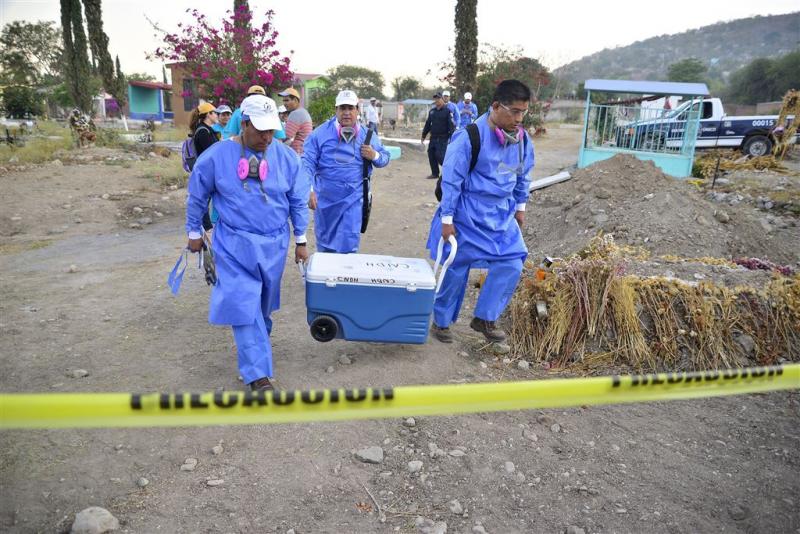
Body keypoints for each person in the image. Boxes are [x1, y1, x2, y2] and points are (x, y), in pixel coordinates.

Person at [185, 94, 310, 391]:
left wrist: (301, 239)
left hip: (274, 244)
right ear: (244, 123)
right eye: (260, 130)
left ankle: (257, 346)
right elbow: (198, 195)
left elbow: (297, 200)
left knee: (262, 307)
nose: (267, 137)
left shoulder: (287, 157)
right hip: (233, 244)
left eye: (271, 130)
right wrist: (193, 232)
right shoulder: (216, 156)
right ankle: (258, 376)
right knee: (243, 304)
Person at [426, 80, 535, 344]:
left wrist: (520, 207)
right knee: (456, 267)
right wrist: (447, 219)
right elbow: (451, 180)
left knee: (512, 260)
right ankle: (441, 322)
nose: (519, 118)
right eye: (514, 111)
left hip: (501, 214)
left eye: (524, 112)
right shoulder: (469, 137)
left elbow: (523, 174)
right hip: (467, 213)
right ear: (496, 106)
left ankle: (485, 317)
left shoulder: (522, 140)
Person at [302, 90, 390, 253]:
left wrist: (374, 155)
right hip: (326, 202)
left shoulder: (367, 135)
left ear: (357, 110)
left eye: (351, 108)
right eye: (342, 108)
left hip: (354, 201)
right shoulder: (319, 134)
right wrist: (309, 189)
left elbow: (385, 157)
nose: (347, 112)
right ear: (336, 110)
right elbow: (307, 163)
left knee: (348, 247)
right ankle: (327, 278)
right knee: (325, 245)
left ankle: (345, 277)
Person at [421, 92, 455, 180]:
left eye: (438, 98)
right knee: (431, 154)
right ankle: (435, 173)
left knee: (440, 156)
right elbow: (428, 124)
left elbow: (451, 125)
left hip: (443, 138)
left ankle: (450, 171)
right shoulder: (432, 111)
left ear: (442, 99)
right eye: (435, 99)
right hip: (433, 137)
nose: (436, 100)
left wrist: (453, 138)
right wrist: (423, 135)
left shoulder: (447, 111)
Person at [278, 87, 313, 155]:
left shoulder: (295, 113)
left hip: (298, 153)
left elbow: (286, 137)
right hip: (305, 151)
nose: (284, 103)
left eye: (287, 100)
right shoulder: (303, 112)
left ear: (295, 100)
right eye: (283, 101)